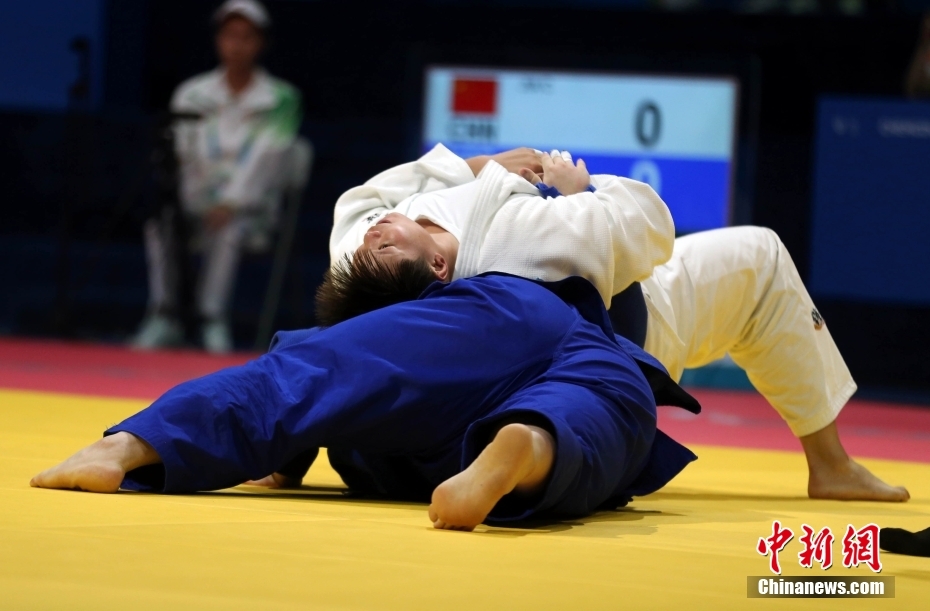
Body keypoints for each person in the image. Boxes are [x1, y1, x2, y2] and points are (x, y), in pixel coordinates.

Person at [320, 145, 909, 503]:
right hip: (633, 335)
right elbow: (647, 227)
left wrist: (483, 165)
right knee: (761, 256)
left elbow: (387, 190)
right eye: (385, 246)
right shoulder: (522, 239)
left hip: (566, 359)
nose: (377, 231)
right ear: (440, 267)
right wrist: (584, 190)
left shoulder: (357, 252)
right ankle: (830, 466)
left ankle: (291, 451)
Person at [32, 273, 701, 532]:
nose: (384, 226)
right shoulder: (360, 323)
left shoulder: (472, 224)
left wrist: (491, 168)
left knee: (318, 374)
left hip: (508, 336)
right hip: (484, 415)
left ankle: (122, 447)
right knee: (598, 415)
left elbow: (291, 384)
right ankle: (526, 443)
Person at [133, 0, 302, 353]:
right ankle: (164, 313)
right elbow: (181, 155)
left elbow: (269, 158)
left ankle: (211, 318)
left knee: (228, 227)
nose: (237, 45)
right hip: (195, 200)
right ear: (218, 40)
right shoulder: (192, 94)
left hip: (252, 209)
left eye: (246, 37)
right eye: (229, 35)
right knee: (160, 225)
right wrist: (197, 201)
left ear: (260, 43)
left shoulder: (282, 98)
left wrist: (231, 203)